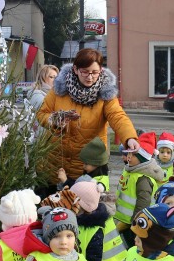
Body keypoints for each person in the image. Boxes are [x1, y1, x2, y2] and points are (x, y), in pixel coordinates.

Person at [37, 48, 139, 188]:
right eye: (85, 72)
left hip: (87, 167)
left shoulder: (106, 95)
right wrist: (55, 120)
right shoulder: (59, 90)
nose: (90, 77)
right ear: (75, 69)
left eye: (94, 72)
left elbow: (118, 116)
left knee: (84, 207)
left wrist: (129, 137)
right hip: (55, 164)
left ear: (101, 71)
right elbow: (42, 114)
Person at [114, 132, 164, 247]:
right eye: (129, 154)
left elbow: (143, 203)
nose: (129, 157)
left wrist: (135, 223)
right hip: (123, 220)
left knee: (131, 247)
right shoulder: (130, 170)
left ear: (142, 159)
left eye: (133, 155)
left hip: (133, 224)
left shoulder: (143, 179)